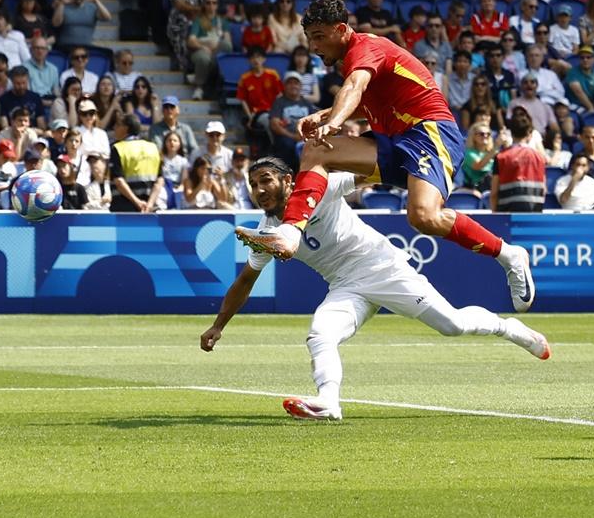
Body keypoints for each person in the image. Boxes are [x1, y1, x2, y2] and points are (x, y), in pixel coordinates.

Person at [235, 0, 536, 313]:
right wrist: (325, 116)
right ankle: (290, 232)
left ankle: (509, 255)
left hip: (430, 134)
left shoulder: (365, 49)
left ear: (341, 29)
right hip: (394, 140)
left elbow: (353, 88)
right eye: (309, 38)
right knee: (317, 150)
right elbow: (368, 101)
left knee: (423, 217)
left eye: (319, 36)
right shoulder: (353, 59)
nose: (313, 46)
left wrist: (335, 121)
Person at [205, 157, 551, 422]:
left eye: (265, 180)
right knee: (319, 334)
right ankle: (328, 402)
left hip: (383, 269)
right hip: (345, 286)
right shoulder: (268, 231)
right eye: (253, 184)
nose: (259, 189)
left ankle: (511, 329)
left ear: (286, 180)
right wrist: (218, 325)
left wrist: (420, 179)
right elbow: (244, 281)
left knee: (453, 325)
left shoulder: (321, 187)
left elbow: (376, 171)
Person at [490, 114, 547, 212]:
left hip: (507, 215)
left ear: (511, 133)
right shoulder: (540, 158)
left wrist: (495, 215)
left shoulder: (501, 157)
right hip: (534, 214)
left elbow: (494, 193)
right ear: (529, 134)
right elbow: (544, 190)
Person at [108, 114, 159, 212]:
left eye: (118, 125)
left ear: (126, 128)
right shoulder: (153, 147)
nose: (114, 128)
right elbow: (159, 181)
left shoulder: (118, 148)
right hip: (149, 209)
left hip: (124, 208)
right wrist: (150, 204)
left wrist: (138, 203)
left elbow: (119, 181)